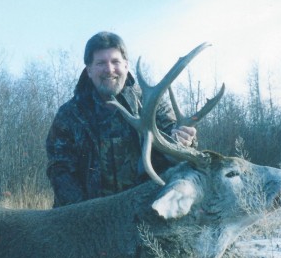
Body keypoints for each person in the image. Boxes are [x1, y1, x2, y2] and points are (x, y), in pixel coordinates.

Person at [45, 31, 197, 208]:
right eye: (101, 63)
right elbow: (59, 170)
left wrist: (186, 142)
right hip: (86, 217)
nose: (109, 69)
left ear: (126, 65)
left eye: (115, 62)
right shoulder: (69, 115)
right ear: (89, 70)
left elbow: (179, 153)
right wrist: (87, 214)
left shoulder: (152, 106)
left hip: (144, 212)